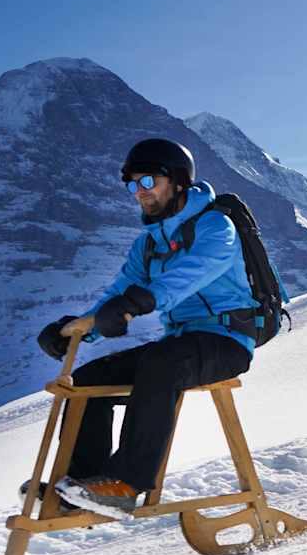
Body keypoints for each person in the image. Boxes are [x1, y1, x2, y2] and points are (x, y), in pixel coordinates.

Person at [32, 138, 257, 517]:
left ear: (178, 182)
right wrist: (77, 329)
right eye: (133, 185)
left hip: (226, 340)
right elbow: (118, 293)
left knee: (162, 363)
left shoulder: (216, 226)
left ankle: (126, 484)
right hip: (180, 342)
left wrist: (139, 303)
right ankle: (81, 485)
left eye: (148, 182)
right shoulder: (147, 245)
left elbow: (191, 274)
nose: (140, 193)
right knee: (89, 378)